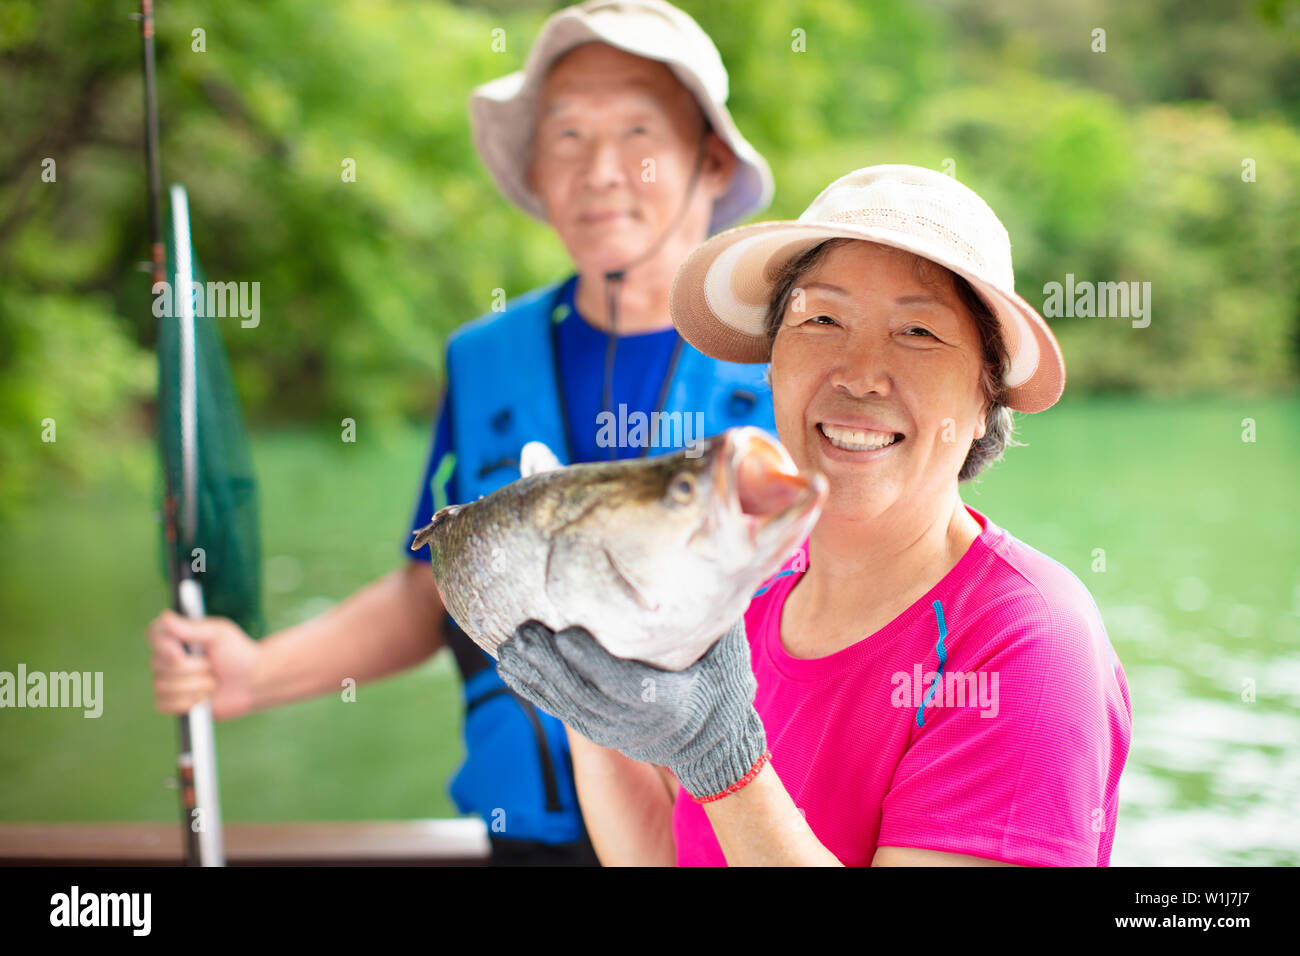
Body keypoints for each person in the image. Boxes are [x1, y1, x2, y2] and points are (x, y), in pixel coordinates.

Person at [145, 0, 777, 866]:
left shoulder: (789, 358)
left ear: (709, 160)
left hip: (735, 836)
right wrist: (255, 672)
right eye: (564, 137)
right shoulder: (485, 357)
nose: (598, 170)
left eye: (636, 130)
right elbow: (433, 588)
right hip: (528, 843)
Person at [497, 164, 1134, 866]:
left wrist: (727, 763)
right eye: (822, 319)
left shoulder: (1029, 643)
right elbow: (669, 853)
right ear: (772, 362)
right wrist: (588, 697)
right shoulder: (746, 586)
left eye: (918, 331)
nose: (860, 374)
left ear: (987, 396)